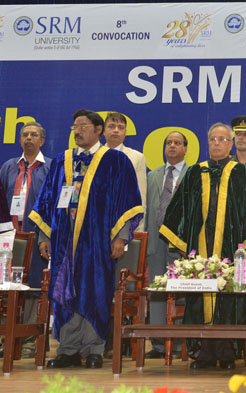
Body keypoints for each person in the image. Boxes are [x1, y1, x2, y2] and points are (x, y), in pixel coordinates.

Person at [30, 109, 143, 369]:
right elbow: (46, 201)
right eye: (74, 127)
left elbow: (128, 201)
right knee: (64, 290)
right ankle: (67, 349)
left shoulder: (115, 161)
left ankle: (94, 348)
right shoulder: (61, 161)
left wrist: (121, 238)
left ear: (98, 130)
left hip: (98, 240)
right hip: (64, 243)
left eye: (82, 126)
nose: (77, 131)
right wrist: (45, 235)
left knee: (94, 289)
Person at [160, 123, 246, 369]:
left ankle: (226, 352)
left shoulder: (243, 174)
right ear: (208, 143)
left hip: (231, 250)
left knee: (229, 300)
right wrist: (185, 246)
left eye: (222, 139)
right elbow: (178, 211)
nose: (217, 143)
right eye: (213, 139)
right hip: (200, 250)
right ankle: (203, 352)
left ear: (230, 144)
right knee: (198, 299)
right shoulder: (194, 172)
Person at [0, 121, 52, 357]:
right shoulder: (9, 167)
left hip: (36, 236)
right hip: (9, 237)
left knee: (31, 289)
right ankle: (6, 338)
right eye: (24, 135)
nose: (28, 138)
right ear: (19, 140)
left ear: (42, 140)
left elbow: (52, 207)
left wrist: (46, 235)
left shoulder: (50, 167)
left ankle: (30, 340)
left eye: (34, 135)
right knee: (5, 288)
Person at [145, 131, 189, 359]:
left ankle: (181, 342)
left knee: (181, 291)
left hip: (180, 243)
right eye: (169, 143)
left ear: (185, 149)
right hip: (155, 241)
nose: (172, 146)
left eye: (177, 143)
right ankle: (159, 342)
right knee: (158, 290)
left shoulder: (192, 175)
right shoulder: (152, 176)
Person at [103, 112, 147, 231]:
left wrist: (138, 230)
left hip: (125, 226)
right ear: (103, 130)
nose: (116, 130)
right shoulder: (92, 156)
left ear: (125, 132)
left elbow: (141, 197)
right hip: (96, 225)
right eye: (111, 126)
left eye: (120, 127)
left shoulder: (137, 157)